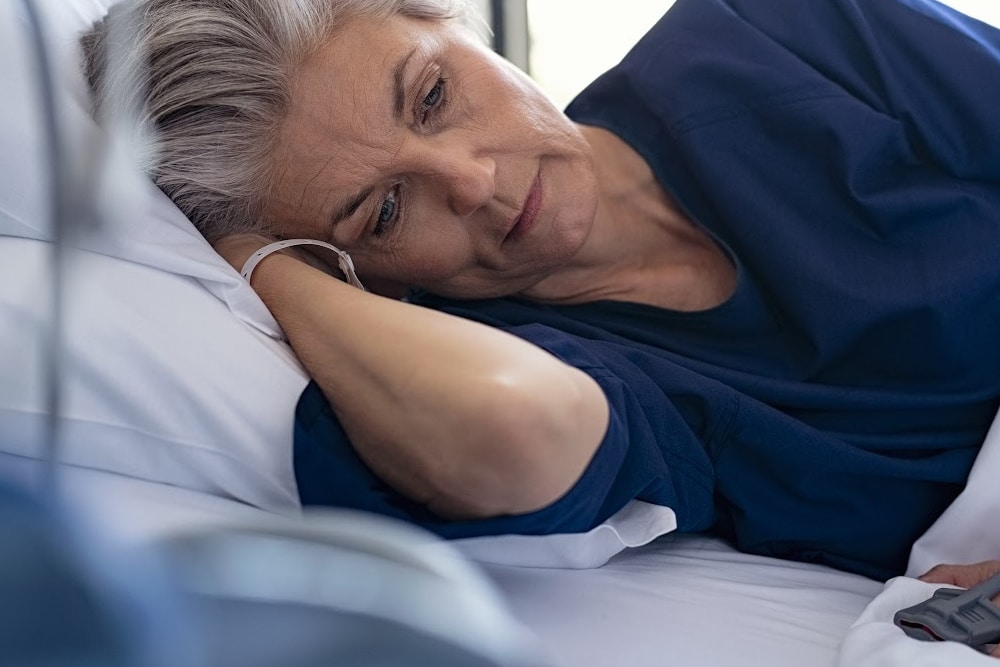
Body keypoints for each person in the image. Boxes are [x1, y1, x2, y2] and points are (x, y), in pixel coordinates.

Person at [81, 0, 1000, 583]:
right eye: (386, 211)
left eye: (432, 95)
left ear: (449, 18)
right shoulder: (545, 355)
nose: (471, 182)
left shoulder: (777, 34)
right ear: (353, 269)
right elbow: (505, 430)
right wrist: (259, 258)